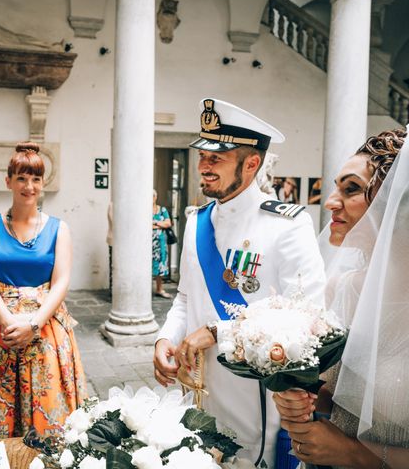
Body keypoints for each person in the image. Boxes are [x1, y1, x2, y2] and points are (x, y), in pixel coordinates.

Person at [153, 98, 326, 466]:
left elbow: (308, 319)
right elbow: (184, 298)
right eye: (203, 156)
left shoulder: (287, 226)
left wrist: (218, 332)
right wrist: (165, 337)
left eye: (217, 158)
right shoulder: (197, 221)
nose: (204, 166)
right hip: (196, 388)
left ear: (251, 164)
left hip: (253, 397)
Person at [273, 128, 408, 469]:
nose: (331, 201)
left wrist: (354, 454)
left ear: (398, 203)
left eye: (350, 189)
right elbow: (333, 395)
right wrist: (299, 397)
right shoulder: (341, 288)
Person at [0, 142, 87, 442]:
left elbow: (61, 282)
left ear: (43, 184)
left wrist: (32, 325)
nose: (28, 186)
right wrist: (8, 322)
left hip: (46, 330)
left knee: (50, 411)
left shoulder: (60, 229)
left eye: (36, 179)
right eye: (21, 178)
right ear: (8, 181)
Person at [152, 189, 172, 299]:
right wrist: (161, 224)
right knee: (147, 264)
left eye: (152, 196)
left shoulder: (162, 209)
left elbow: (168, 223)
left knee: (160, 264)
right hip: (147, 242)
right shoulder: (145, 209)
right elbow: (144, 224)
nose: (151, 199)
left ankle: (159, 289)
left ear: (156, 197)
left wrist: (154, 223)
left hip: (160, 242)